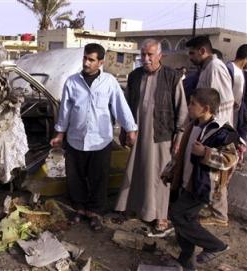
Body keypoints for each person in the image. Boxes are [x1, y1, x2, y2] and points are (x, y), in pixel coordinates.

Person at [50, 43, 137, 231]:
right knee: (76, 177)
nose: (86, 63)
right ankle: (80, 209)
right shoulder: (72, 82)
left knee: (99, 178)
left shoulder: (109, 82)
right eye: (85, 58)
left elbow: (120, 106)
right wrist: (59, 134)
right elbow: (65, 111)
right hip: (75, 139)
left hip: (100, 140)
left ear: (101, 62)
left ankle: (95, 213)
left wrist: (130, 129)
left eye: (91, 60)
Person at [114, 39, 188, 237]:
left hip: (161, 133)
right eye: (143, 55)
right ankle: (135, 207)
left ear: (160, 55)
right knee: (137, 169)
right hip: (137, 132)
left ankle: (161, 216)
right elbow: (127, 106)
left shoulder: (173, 77)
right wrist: (124, 130)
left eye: (150, 55)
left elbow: (182, 110)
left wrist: (179, 137)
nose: (146, 59)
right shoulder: (134, 76)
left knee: (160, 175)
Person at [167, 88, 238, 271]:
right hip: (185, 181)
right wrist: (170, 172)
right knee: (185, 219)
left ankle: (216, 246)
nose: (189, 107)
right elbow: (181, 154)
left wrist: (206, 153)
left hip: (202, 187)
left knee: (178, 214)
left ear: (205, 108)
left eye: (192, 104)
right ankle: (186, 259)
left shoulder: (220, 130)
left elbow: (231, 158)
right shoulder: (193, 125)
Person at [186, 36, 234, 226]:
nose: (190, 57)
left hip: (216, 130)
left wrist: (209, 127)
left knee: (216, 172)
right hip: (209, 127)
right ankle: (210, 207)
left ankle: (219, 214)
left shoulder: (215, 67)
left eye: (192, 53)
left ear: (202, 51)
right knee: (207, 171)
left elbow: (216, 102)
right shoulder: (207, 68)